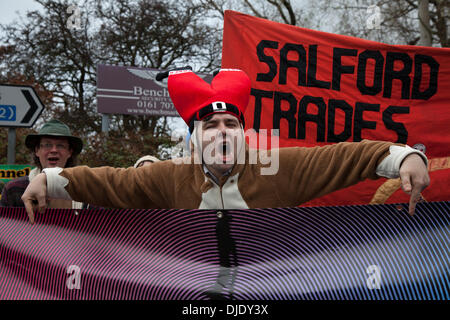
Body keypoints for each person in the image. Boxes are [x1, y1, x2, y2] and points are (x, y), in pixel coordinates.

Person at [22, 69, 429, 224]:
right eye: (211, 124)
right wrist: (52, 179)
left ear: (243, 133)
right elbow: (111, 183)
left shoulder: (273, 166)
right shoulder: (170, 177)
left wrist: (405, 156)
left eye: (231, 123)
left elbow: (344, 156)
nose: (221, 131)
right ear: (195, 138)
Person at [1, 119, 86, 209]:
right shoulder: (14, 189)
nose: (54, 150)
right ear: (37, 150)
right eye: (47, 145)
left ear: (70, 152)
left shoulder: (86, 192)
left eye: (60, 145)